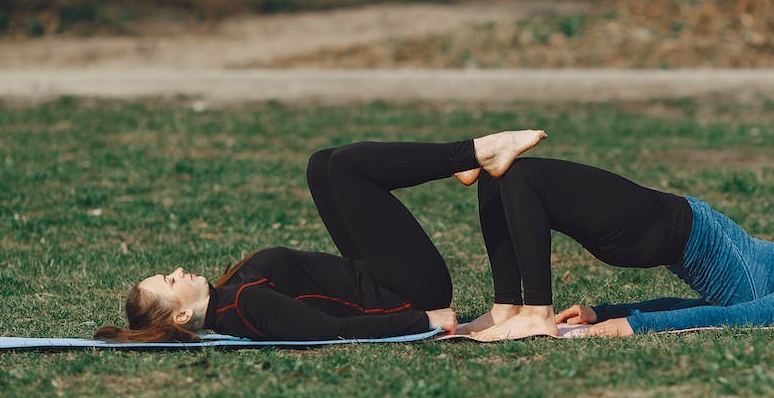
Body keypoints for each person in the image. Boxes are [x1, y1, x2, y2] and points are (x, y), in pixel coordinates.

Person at [94, 130, 548, 342]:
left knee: (322, 164)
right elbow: (332, 331)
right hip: (407, 291)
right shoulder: (246, 306)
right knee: (347, 167)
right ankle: (472, 152)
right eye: (170, 283)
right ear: (181, 317)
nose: (177, 271)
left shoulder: (235, 296)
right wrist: (425, 321)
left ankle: (464, 158)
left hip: (375, 276)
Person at [454, 157, 774, 340]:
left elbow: (727, 319)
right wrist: (604, 311)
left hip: (661, 225)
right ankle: (508, 307)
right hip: (657, 226)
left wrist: (630, 327)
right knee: (506, 179)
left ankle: (533, 311)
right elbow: (694, 304)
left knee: (523, 176)